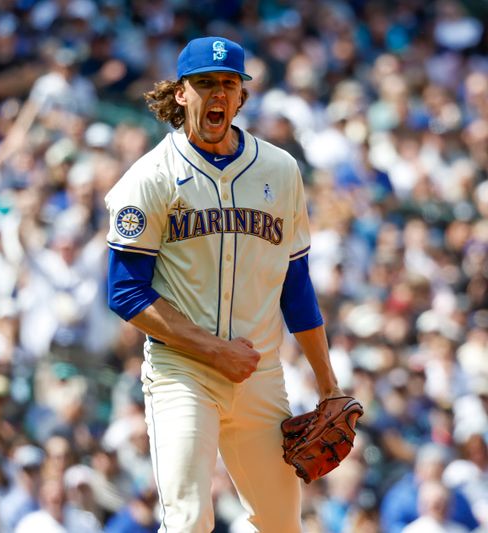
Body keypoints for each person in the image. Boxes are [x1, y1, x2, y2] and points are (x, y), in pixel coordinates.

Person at [104, 36, 344, 532]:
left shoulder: (280, 170)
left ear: (241, 98)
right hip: (182, 371)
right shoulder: (149, 178)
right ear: (180, 94)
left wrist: (329, 386)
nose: (217, 93)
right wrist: (214, 351)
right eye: (205, 83)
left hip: (260, 372)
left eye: (228, 84)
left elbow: (295, 285)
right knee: (189, 519)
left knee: (282, 525)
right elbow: (125, 292)